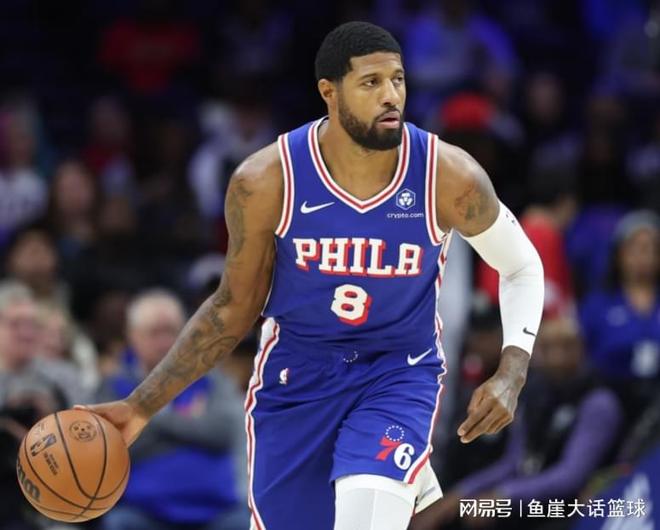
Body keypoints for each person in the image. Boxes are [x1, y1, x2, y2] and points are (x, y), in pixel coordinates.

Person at [81, 22, 544, 530]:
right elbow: (231, 308)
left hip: (397, 373)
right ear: (330, 91)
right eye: (371, 83)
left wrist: (512, 372)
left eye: (397, 79)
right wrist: (139, 407)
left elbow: (521, 265)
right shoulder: (266, 180)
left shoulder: (448, 175)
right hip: (296, 380)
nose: (391, 96)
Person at [97, 289, 248, 530]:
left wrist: (146, 414)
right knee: (119, 523)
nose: (165, 342)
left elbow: (223, 432)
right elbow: (116, 451)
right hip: (143, 512)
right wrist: (189, 423)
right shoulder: (113, 386)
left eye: (171, 331)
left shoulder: (212, 379)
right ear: (132, 336)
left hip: (217, 510)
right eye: (154, 333)